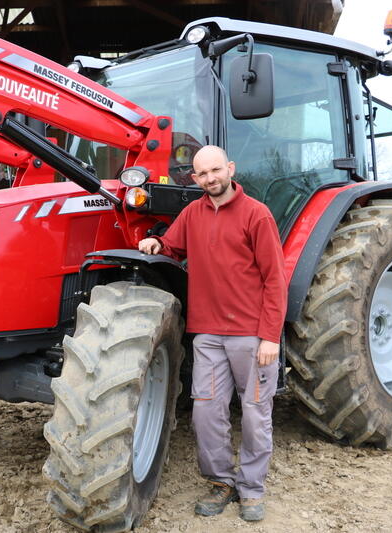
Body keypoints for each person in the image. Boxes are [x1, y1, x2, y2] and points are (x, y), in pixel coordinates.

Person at [138, 145, 286, 522]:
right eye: (202, 174)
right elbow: (173, 245)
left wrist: (270, 336)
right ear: (194, 178)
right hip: (207, 336)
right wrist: (157, 243)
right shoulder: (192, 213)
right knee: (206, 413)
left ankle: (251, 489)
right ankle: (221, 481)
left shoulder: (257, 215)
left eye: (215, 171)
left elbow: (274, 279)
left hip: (250, 335)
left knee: (254, 413)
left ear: (230, 169)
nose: (209, 179)